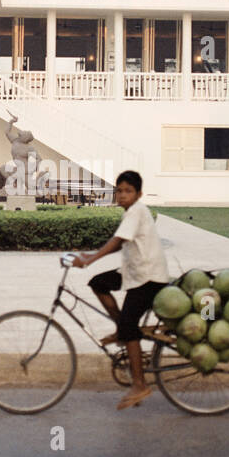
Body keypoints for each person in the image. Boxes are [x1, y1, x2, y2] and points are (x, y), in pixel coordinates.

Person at [71, 170, 170, 410]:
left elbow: (117, 240)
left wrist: (90, 258)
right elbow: (124, 242)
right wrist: (90, 255)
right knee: (99, 283)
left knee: (129, 325)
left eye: (128, 191)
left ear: (139, 194)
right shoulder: (131, 213)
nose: (123, 195)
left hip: (149, 278)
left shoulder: (136, 211)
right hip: (134, 273)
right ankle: (123, 330)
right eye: (119, 190)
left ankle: (139, 384)